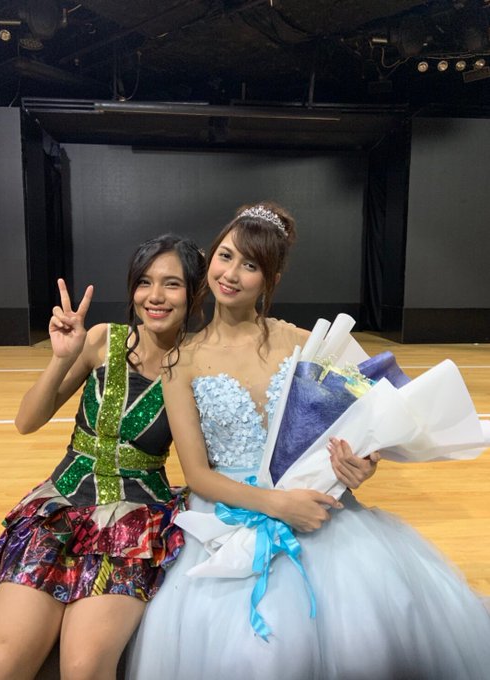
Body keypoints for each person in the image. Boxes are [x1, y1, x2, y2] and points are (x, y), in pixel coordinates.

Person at [127, 202, 490, 680]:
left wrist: (363, 463)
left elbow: (365, 424)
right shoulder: (183, 359)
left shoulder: (307, 343)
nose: (231, 274)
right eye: (225, 256)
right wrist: (278, 505)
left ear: (271, 280)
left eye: (250, 265)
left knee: (367, 641)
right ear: (210, 258)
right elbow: (196, 474)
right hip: (229, 517)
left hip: (321, 508)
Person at [0, 234, 206, 680]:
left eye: (172, 284)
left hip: (134, 526)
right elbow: (26, 421)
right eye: (144, 282)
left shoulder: (199, 363)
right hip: (57, 513)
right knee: (1, 664)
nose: (154, 296)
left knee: (83, 668)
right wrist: (60, 358)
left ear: (195, 293)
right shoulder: (103, 339)